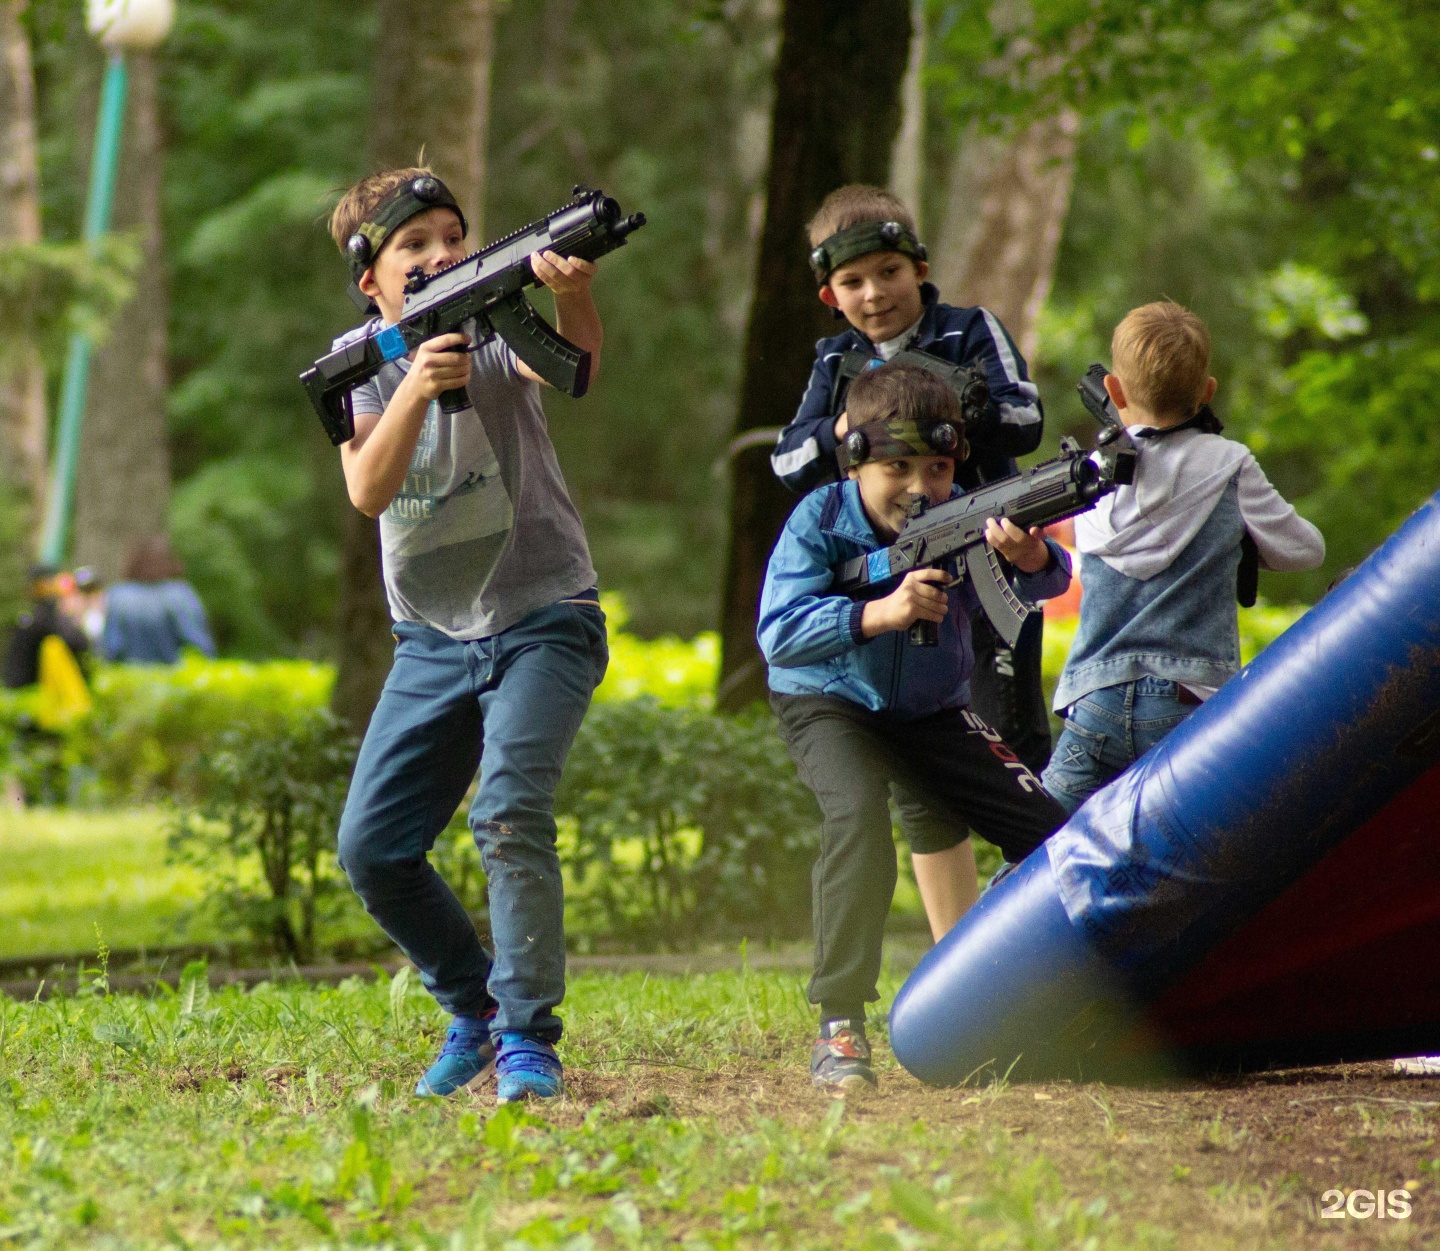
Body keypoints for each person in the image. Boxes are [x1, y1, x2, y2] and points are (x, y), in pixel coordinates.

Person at [327, 166, 608, 1105]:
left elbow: (570, 366)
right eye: (415, 245)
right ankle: (474, 1009)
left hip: (546, 618)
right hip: (433, 642)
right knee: (373, 846)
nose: (441, 253)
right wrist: (415, 388)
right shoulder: (358, 362)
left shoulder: (494, 326)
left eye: (452, 234)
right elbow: (366, 488)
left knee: (508, 809)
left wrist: (570, 298)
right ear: (372, 278)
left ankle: (529, 1038)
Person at [758, 362, 1071, 1093]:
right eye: (896, 466)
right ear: (857, 460)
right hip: (827, 698)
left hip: (931, 707)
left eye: (936, 466)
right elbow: (778, 632)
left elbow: (1045, 581)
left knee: (1050, 833)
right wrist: (878, 612)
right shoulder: (819, 519)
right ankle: (839, 1022)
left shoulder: (965, 510)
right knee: (858, 820)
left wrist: (1033, 557)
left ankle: (1057, 999)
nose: (920, 486)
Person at [770, 185, 1052, 943]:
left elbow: (1026, 418)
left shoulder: (968, 331)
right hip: (890, 593)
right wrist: (848, 429)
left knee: (1016, 759)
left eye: (889, 271)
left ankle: (1035, 941)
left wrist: (953, 402)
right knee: (925, 789)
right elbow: (788, 458)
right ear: (830, 294)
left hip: (987, 579)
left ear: (919, 267)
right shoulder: (835, 363)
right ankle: (956, 952)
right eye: (854, 283)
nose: (875, 294)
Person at [1041, 302, 1325, 813]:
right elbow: (1306, 550)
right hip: (1189, 706)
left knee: (1036, 854)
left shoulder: (1088, 475)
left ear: (1115, 391)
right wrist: (1230, 539)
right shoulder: (1230, 464)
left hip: (1095, 701)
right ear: (1207, 392)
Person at [102, 536, 217, 664]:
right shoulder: (180, 594)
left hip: (131, 679)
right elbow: (200, 646)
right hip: (176, 678)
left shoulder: (118, 595)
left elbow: (112, 647)